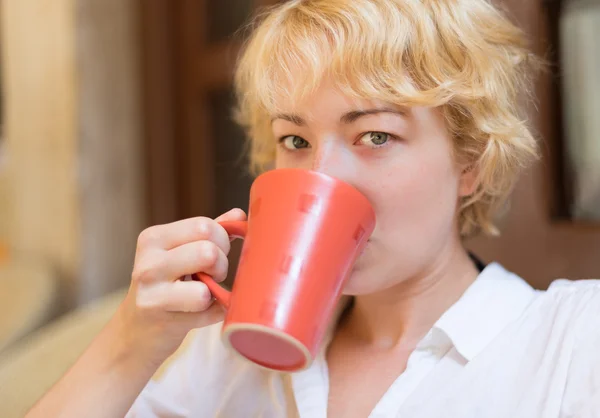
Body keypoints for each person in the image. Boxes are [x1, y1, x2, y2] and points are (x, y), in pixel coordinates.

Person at [27, 1, 600, 417]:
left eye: (375, 136)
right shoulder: (224, 355)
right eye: (296, 141)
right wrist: (131, 341)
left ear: (470, 161)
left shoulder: (572, 342)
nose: (321, 177)